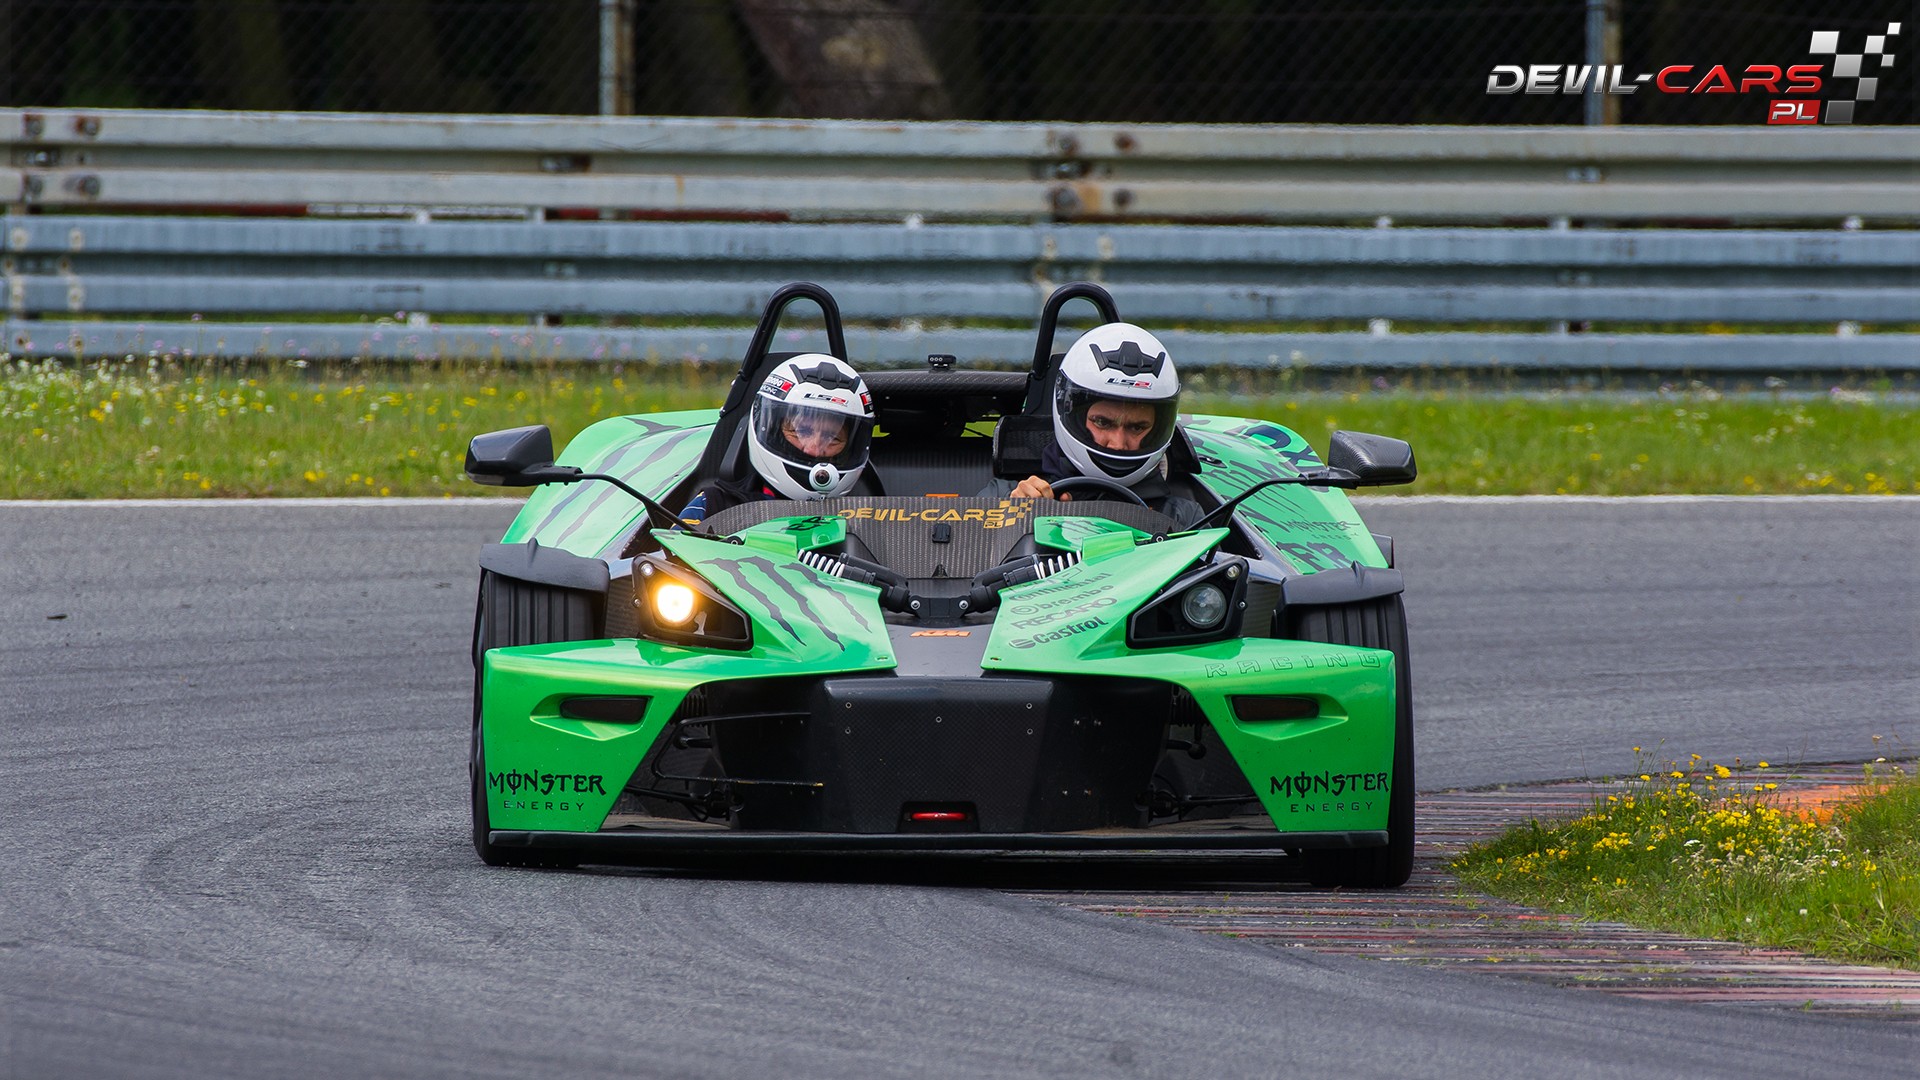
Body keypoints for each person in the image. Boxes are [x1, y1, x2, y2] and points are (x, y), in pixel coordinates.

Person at [994, 322, 1204, 528]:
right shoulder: (1005, 498)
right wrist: (1016, 517)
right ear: (1072, 415)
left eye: (1137, 427)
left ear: (1157, 429)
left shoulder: (1183, 518)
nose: (1118, 444)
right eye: (1103, 423)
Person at [678, 354, 875, 527]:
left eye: (832, 437)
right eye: (802, 431)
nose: (814, 448)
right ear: (771, 431)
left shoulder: (873, 517)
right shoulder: (713, 507)